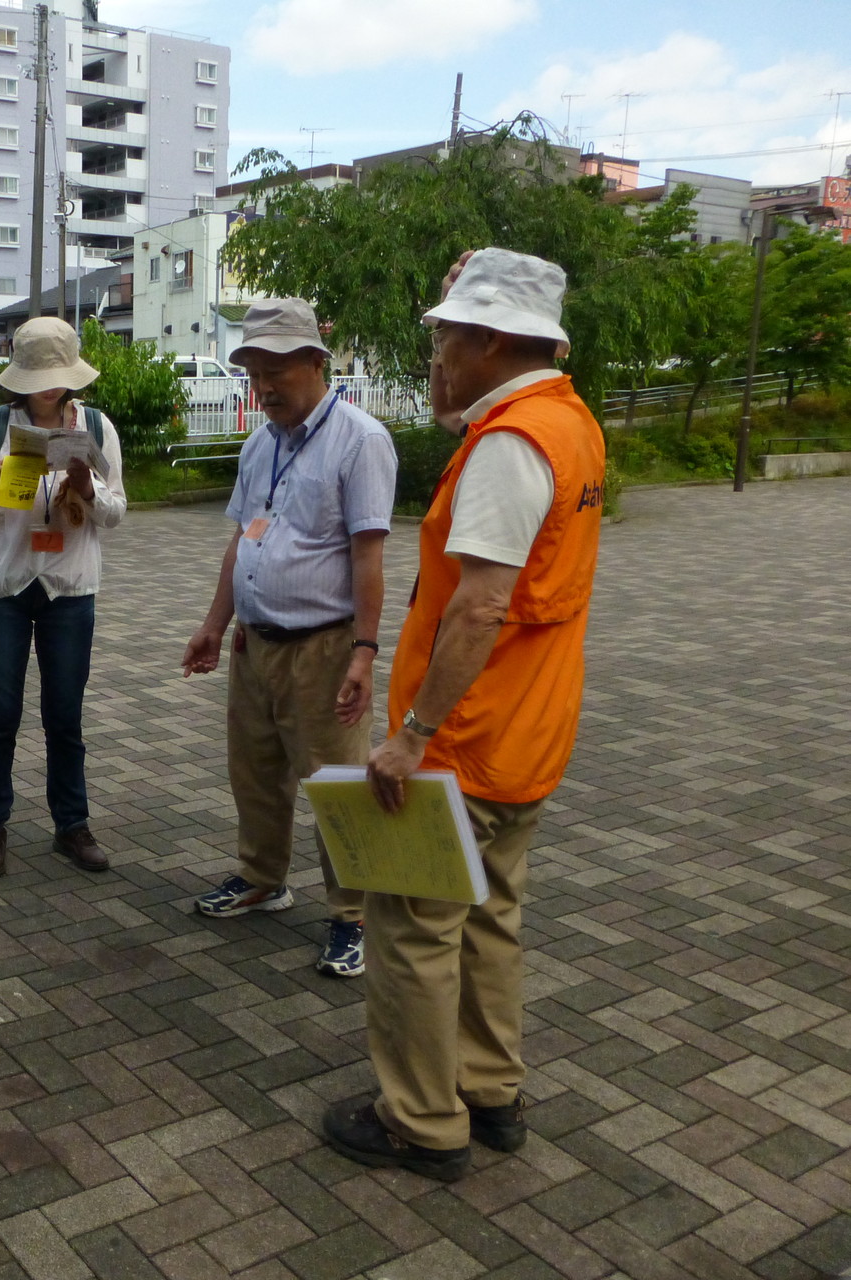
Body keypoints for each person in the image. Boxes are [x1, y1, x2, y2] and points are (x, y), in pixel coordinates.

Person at [322, 247, 605, 1181]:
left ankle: (420, 1121)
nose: (436, 348)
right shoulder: (567, 424)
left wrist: (410, 739)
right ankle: (490, 1088)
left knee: (411, 931)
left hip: (463, 745)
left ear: (490, 339)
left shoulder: (508, 448)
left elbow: (480, 604)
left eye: (446, 334)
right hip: (530, 731)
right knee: (490, 920)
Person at [181, 299, 397, 977]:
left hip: (326, 648)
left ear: (315, 362)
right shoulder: (259, 442)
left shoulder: (360, 440)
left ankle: (353, 913)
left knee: (337, 784)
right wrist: (216, 625)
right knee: (255, 773)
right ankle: (263, 878)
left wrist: (364, 650)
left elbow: (368, 556)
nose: (263, 386)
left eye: (276, 369)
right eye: (251, 371)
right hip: (257, 643)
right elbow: (241, 540)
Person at [0, 316, 126, 877]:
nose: (51, 387)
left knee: (65, 714)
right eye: (39, 375)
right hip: (4, 585)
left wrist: (89, 488)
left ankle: (71, 825)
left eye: (59, 375)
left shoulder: (97, 427)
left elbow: (118, 513)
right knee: (0, 712)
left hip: (70, 586)